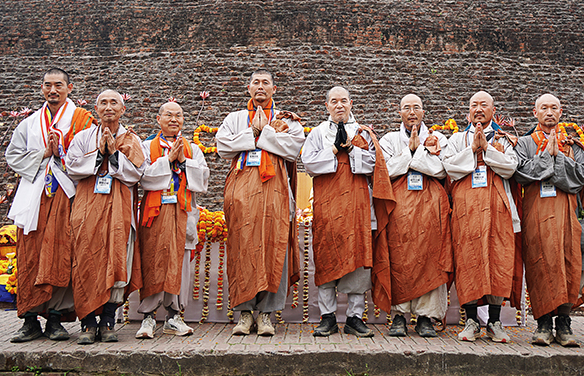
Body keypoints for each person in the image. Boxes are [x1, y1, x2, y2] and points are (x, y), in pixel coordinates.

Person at [5, 68, 95, 342]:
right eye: (47, 85)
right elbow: (12, 156)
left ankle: (55, 318)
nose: (52, 90)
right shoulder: (30, 124)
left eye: (58, 85)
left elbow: (90, 157)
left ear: (69, 88)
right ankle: (30, 319)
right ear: (41, 89)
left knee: (63, 254)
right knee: (30, 254)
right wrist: (44, 153)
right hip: (34, 197)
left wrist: (63, 155)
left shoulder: (83, 121)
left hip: (66, 195)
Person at [215, 70, 304, 337]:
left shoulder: (287, 120)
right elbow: (222, 145)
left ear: (274, 89)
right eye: (256, 82)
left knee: (273, 246)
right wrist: (254, 133)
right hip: (241, 196)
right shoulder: (234, 118)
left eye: (266, 83)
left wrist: (259, 133)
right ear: (248, 88)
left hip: (275, 194)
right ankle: (244, 313)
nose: (261, 87)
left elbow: (293, 148)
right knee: (243, 248)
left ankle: (266, 314)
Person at [513, 94, 584, 347]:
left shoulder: (572, 144)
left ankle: (563, 323)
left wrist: (559, 157)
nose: (549, 112)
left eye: (554, 108)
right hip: (537, 216)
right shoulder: (524, 143)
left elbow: (582, 177)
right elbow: (519, 172)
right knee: (539, 264)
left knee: (568, 263)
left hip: (568, 216)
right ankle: (543, 323)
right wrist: (546, 157)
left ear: (561, 112)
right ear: (535, 112)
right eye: (544, 108)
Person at [301, 86, 393, 338]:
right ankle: (327, 317)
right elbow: (308, 163)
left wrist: (351, 149)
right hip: (328, 206)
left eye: (343, 101)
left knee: (358, 261)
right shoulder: (318, 133)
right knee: (327, 257)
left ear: (351, 103)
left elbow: (375, 164)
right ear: (327, 106)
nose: (339, 105)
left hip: (357, 208)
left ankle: (354, 317)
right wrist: (333, 149)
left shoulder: (363, 132)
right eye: (334, 101)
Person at [66, 89, 146, 344]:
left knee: (117, 259)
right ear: (96, 109)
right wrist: (99, 155)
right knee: (86, 260)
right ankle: (88, 323)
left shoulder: (132, 140)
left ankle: (108, 321)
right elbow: (71, 166)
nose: (108, 107)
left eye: (114, 103)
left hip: (119, 210)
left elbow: (137, 173)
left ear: (123, 110)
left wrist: (113, 155)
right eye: (103, 103)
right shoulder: (82, 137)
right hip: (87, 209)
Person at [443, 91, 521, 343]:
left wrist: (486, 149)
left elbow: (510, 167)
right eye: (474, 105)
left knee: (498, 259)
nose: (479, 109)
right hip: (467, 210)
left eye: (483, 105)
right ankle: (471, 321)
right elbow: (450, 167)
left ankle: (495, 322)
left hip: (498, 209)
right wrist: (472, 151)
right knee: (468, 261)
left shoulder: (503, 139)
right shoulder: (457, 138)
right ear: (468, 111)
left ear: (493, 110)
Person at [375, 94, 452, 338]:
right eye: (406, 107)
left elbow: (442, 170)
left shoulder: (438, 138)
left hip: (431, 208)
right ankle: (399, 316)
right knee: (399, 257)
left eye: (416, 107)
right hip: (398, 208)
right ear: (399, 112)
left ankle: (426, 318)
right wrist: (413, 154)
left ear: (423, 112)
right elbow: (385, 171)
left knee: (430, 257)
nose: (411, 112)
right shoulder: (388, 140)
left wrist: (414, 156)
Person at [135, 101, 209, 339]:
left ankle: (174, 316)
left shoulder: (192, 149)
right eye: (169, 115)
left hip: (182, 211)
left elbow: (203, 178)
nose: (174, 119)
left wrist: (183, 161)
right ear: (159, 119)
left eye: (179, 115)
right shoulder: (147, 146)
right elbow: (142, 177)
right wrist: (167, 161)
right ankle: (148, 317)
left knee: (181, 263)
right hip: (155, 213)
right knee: (152, 261)